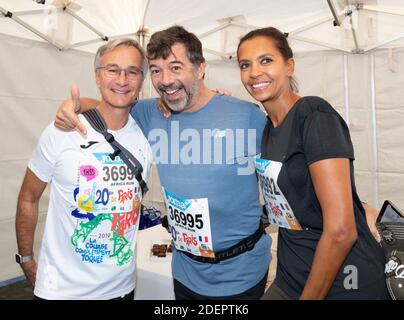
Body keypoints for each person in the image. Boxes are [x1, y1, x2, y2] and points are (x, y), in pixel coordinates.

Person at [54, 26, 272, 300]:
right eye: (156, 70)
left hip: (241, 273)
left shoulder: (246, 116)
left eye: (176, 67)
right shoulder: (150, 113)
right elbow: (108, 105)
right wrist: (72, 106)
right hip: (184, 272)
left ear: (200, 68)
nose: (165, 80)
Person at [236, 27, 389, 299]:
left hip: (342, 280)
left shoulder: (314, 115)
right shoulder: (268, 127)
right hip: (292, 271)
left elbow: (341, 231)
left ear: (289, 66)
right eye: (245, 65)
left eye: (266, 60)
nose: (254, 72)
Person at [15, 38, 153, 300]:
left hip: (121, 289)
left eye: (132, 71)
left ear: (141, 80)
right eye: (112, 69)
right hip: (62, 292)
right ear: (97, 77)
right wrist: (26, 258)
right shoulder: (62, 131)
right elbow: (28, 196)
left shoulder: (147, 132)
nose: (122, 80)